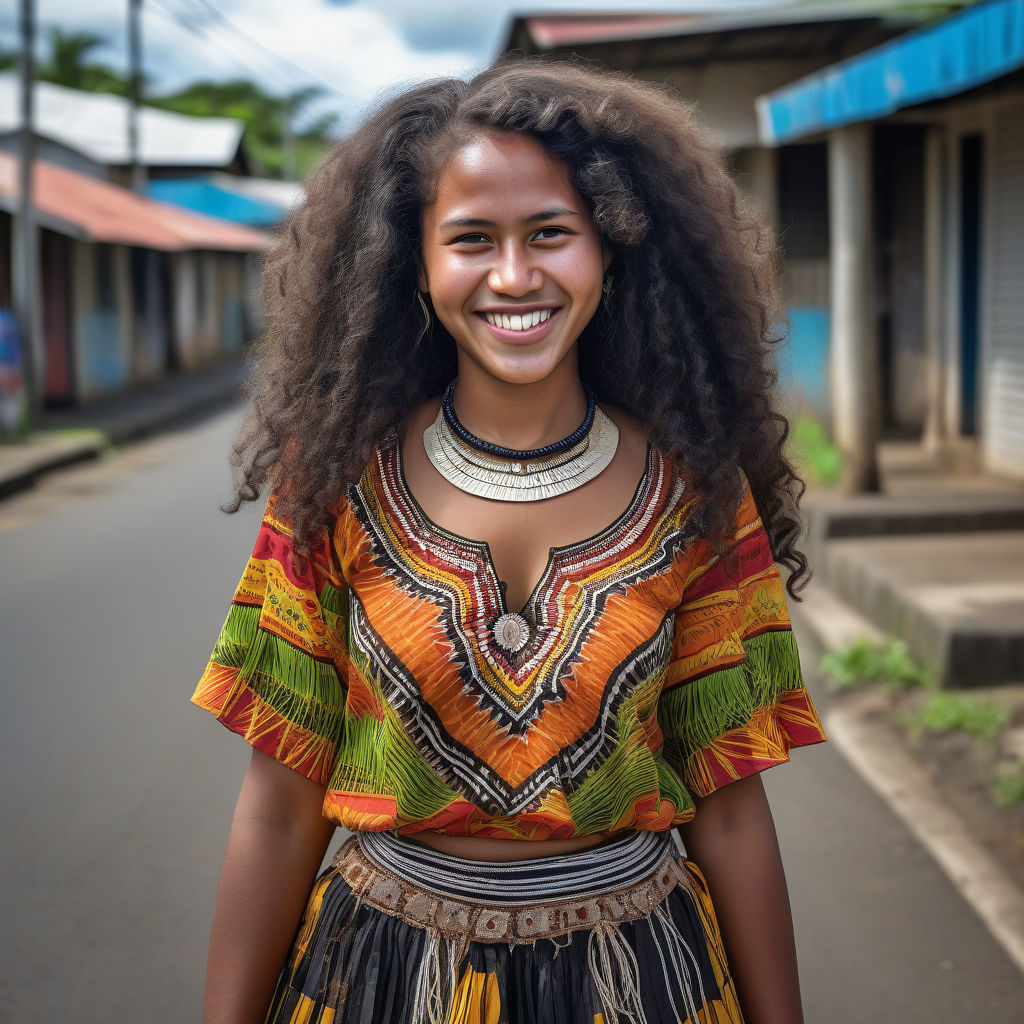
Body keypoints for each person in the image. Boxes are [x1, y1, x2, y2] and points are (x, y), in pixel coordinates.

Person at [192, 55, 828, 1024]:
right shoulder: (329, 485)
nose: (514, 275)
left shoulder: (697, 493)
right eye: (471, 239)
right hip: (379, 983)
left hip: (638, 982)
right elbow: (279, 812)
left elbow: (732, 811)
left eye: (550, 234)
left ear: (609, 249)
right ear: (416, 261)